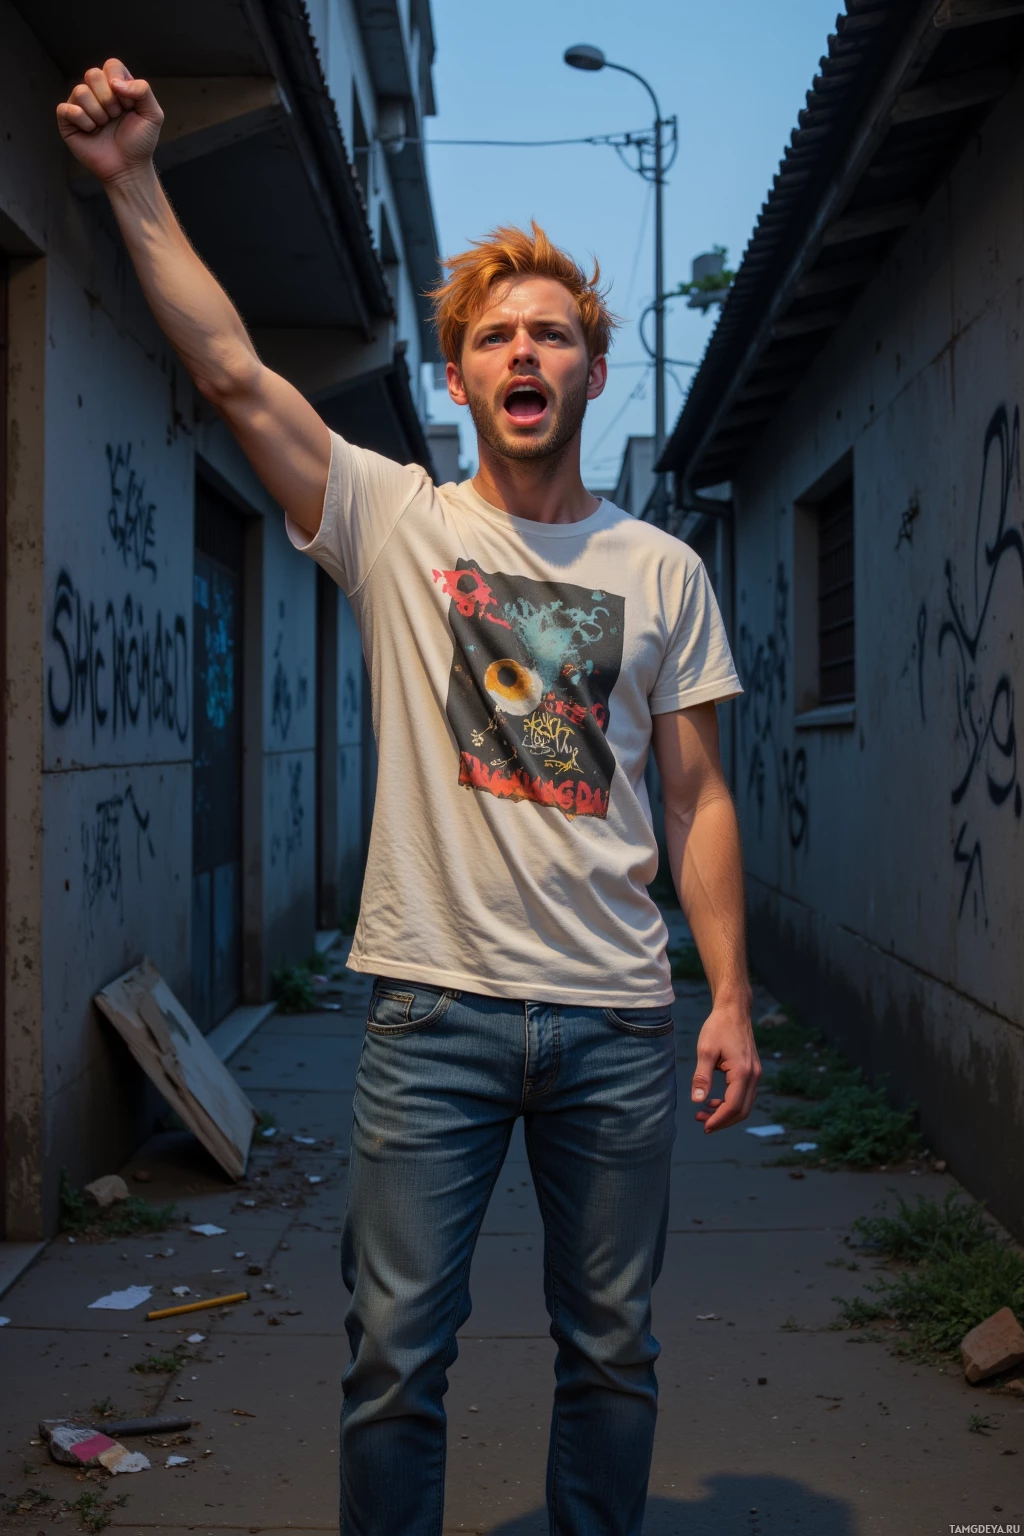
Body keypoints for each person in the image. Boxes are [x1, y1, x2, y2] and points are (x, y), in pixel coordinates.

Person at [57, 60, 761, 1536]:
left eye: (553, 334)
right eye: (496, 336)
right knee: (393, 1360)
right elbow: (233, 371)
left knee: (612, 1352)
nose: (525, 352)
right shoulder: (393, 520)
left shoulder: (662, 571)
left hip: (616, 1021)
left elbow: (698, 798)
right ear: (460, 380)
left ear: (593, 371)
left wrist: (731, 998)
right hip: (432, 1014)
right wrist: (134, 182)